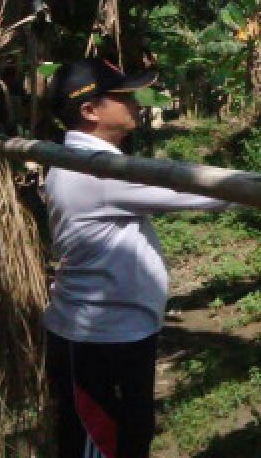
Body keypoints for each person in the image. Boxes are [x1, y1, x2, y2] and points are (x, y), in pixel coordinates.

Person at [43, 57, 234, 458]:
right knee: (103, 446)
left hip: (119, 334)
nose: (136, 103)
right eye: (123, 97)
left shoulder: (85, 161)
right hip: (97, 340)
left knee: (129, 438)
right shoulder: (97, 172)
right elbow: (195, 191)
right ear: (90, 111)